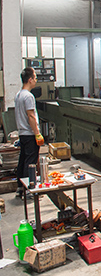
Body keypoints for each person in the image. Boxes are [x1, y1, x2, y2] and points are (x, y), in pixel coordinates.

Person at [15, 67, 44, 198]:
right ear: (30, 79)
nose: (36, 80)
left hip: (22, 133)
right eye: (35, 78)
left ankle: (20, 188)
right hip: (29, 133)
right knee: (30, 163)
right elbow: (31, 116)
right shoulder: (28, 96)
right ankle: (29, 190)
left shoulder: (18, 95)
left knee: (23, 160)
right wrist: (37, 133)